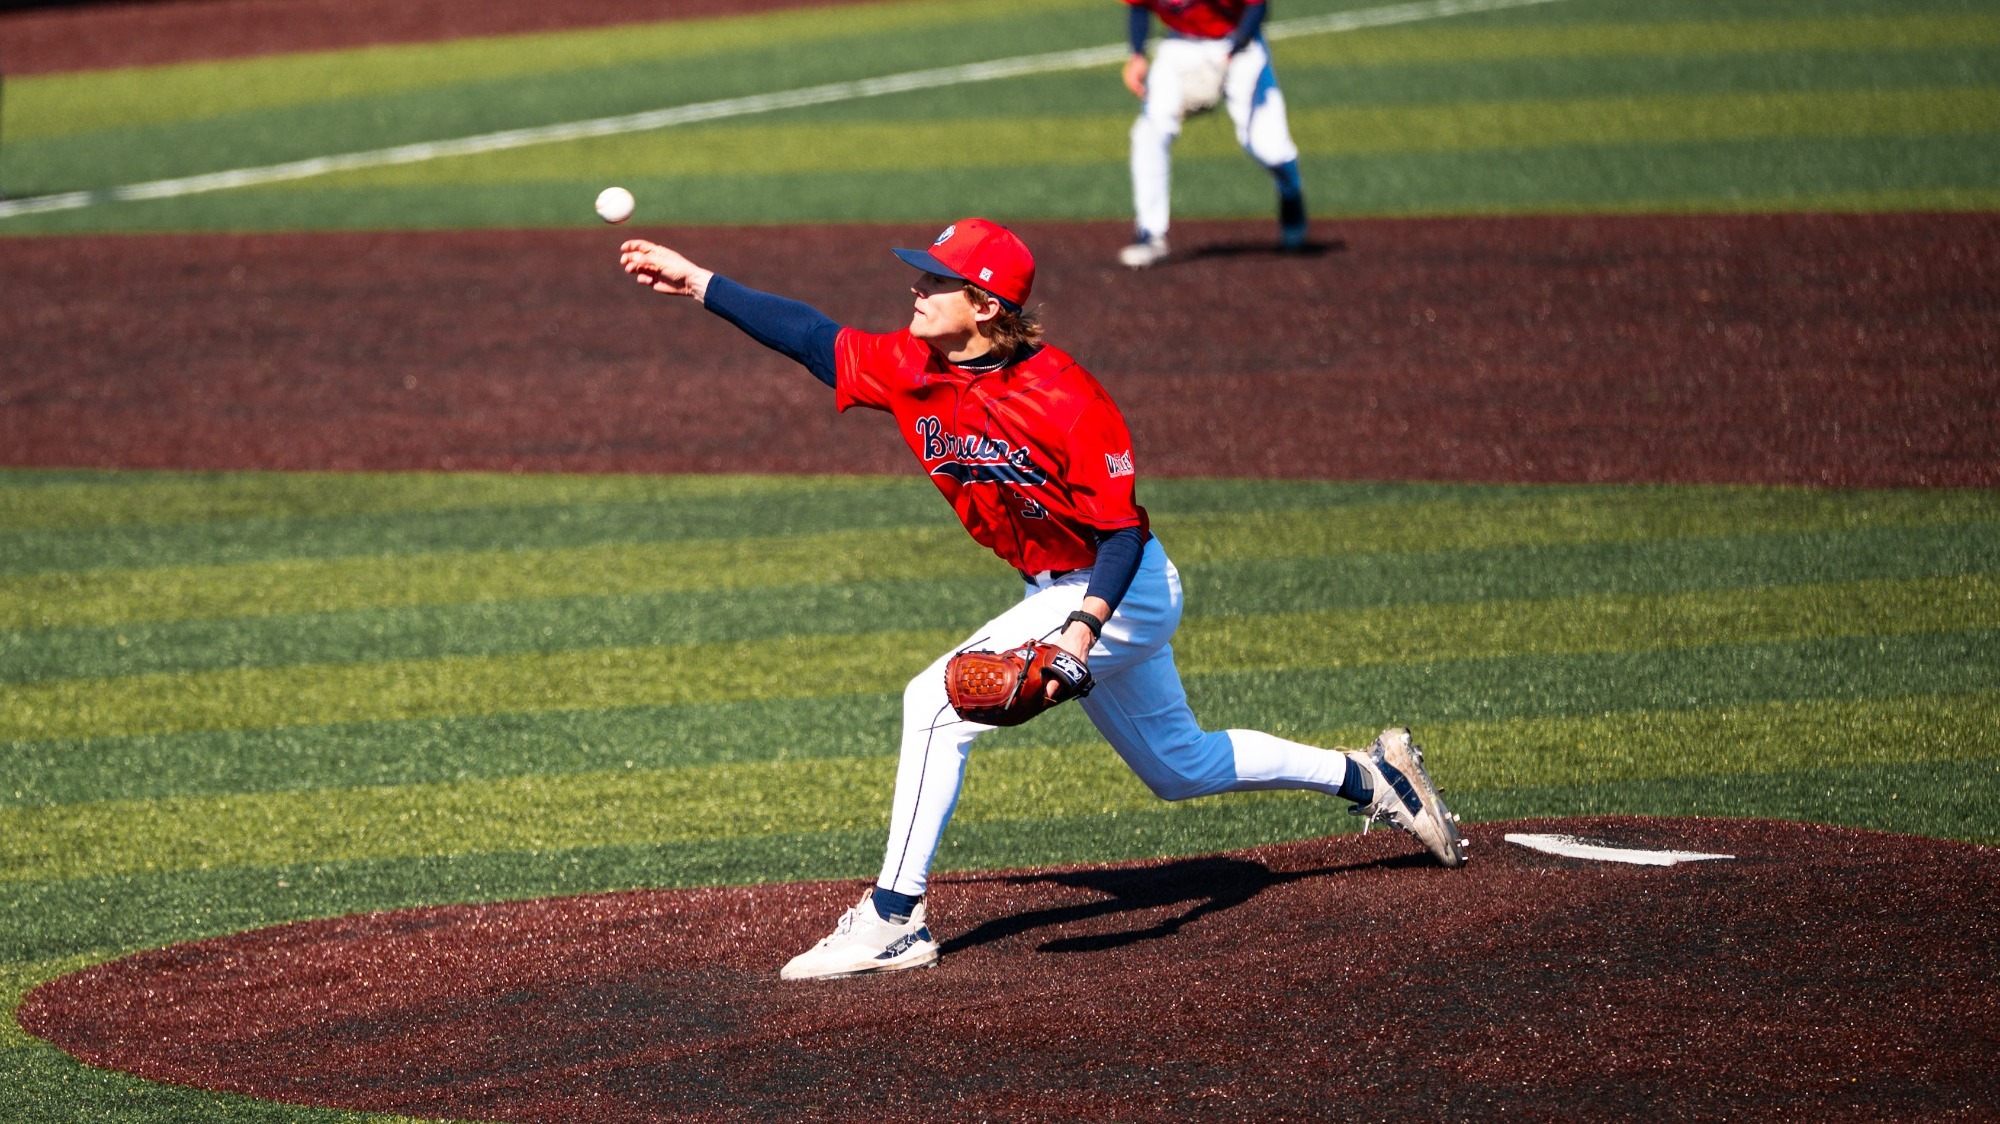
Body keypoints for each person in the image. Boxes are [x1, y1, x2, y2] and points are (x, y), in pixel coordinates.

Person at [617, 218, 1462, 981]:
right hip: (1057, 592)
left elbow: (1123, 533)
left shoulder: (1068, 397)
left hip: (1114, 588)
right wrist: (699, 283)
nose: (914, 290)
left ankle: (893, 919)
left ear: (984, 306)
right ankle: (1371, 776)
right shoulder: (915, 365)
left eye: (934, 281)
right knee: (1179, 767)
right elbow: (811, 335)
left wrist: (1083, 635)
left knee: (932, 703)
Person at [1118, 0, 1307, 267]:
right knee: (1150, 132)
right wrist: (1136, 54)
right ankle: (1149, 233)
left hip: (1239, 42)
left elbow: (1257, 7)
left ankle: (1291, 192)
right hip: (1180, 47)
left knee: (1270, 148)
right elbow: (1138, 6)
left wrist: (1229, 56)